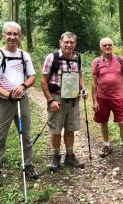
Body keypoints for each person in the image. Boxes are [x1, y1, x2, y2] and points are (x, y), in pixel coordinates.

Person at [0, 21, 39, 189]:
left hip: (22, 101)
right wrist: (7, 94)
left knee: (26, 135)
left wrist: (22, 86)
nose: (12, 37)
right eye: (9, 34)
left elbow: (31, 77)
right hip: (3, 103)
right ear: (3, 36)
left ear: (20, 37)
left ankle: (28, 166)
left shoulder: (24, 56)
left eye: (16, 34)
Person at [41, 32, 88, 172]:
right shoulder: (52, 57)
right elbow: (43, 81)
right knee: (56, 129)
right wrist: (50, 101)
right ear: (60, 42)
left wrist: (83, 88)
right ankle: (55, 157)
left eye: (72, 42)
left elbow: (80, 75)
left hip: (73, 98)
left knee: (70, 128)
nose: (69, 45)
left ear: (75, 43)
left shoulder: (77, 57)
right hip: (57, 98)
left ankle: (69, 156)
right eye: (66, 42)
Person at [91, 38, 123, 158]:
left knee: (121, 122)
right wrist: (94, 101)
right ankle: (106, 145)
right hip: (102, 97)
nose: (108, 47)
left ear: (112, 46)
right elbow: (94, 83)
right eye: (105, 45)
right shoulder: (96, 62)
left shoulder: (120, 60)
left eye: (110, 45)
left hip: (118, 97)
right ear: (101, 47)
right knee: (103, 121)